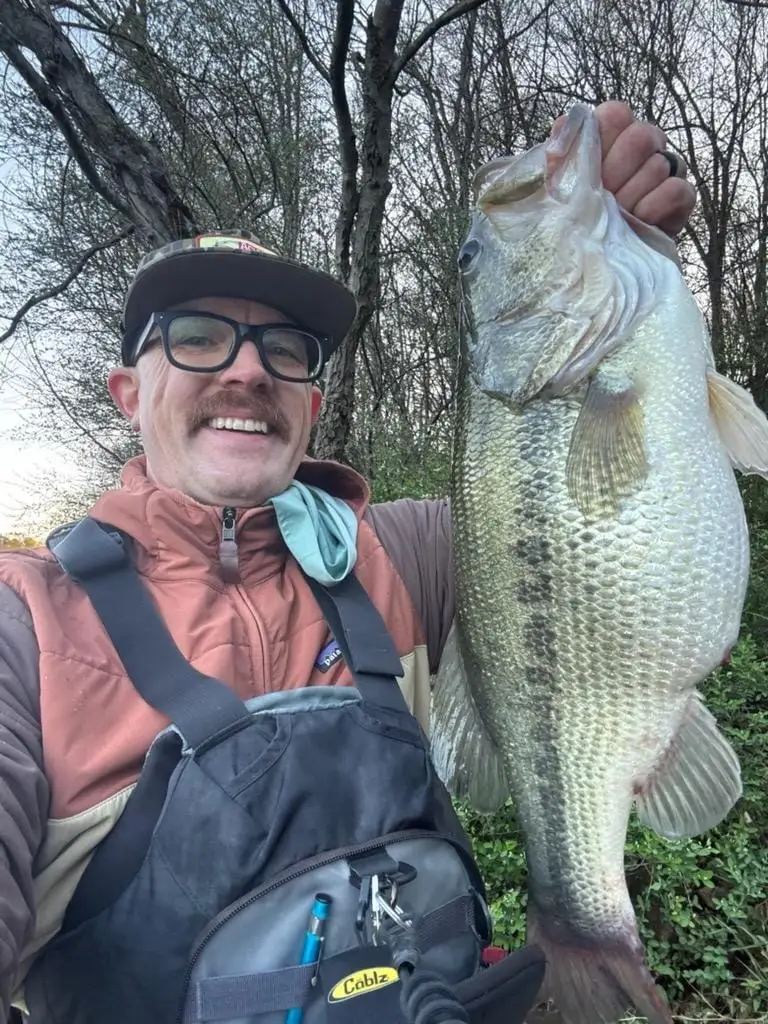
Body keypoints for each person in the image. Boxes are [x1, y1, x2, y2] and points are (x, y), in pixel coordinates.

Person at [0, 102, 695, 1023]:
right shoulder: (25, 623)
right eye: (199, 336)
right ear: (128, 392)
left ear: (312, 402)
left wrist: (630, 265)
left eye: (284, 349)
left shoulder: (399, 556)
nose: (247, 371)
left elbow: (587, 517)